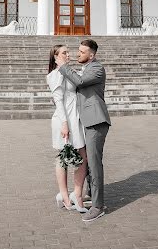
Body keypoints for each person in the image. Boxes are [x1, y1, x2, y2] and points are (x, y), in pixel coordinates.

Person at [56, 39, 111, 223]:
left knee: (94, 164)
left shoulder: (97, 68)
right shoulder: (86, 68)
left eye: (81, 52)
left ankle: (98, 206)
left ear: (91, 55)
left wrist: (63, 66)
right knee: (87, 161)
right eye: (78, 51)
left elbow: (79, 82)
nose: (78, 54)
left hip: (96, 121)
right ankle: (89, 193)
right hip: (85, 122)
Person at [47, 44, 88, 213]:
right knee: (63, 157)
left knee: (82, 156)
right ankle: (64, 195)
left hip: (75, 119)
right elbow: (58, 100)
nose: (68, 54)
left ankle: (76, 193)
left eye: (68, 52)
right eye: (64, 53)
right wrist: (64, 124)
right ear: (56, 57)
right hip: (63, 121)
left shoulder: (68, 72)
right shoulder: (54, 75)